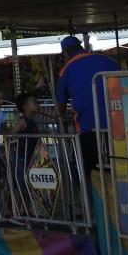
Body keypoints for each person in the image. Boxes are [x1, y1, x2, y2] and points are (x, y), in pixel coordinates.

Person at [54, 35, 116, 176]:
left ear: (65, 52)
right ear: (81, 46)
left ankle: (91, 196)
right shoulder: (107, 60)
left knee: (91, 171)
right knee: (117, 167)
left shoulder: (66, 70)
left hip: (88, 127)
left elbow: (60, 106)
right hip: (117, 124)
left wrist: (59, 115)